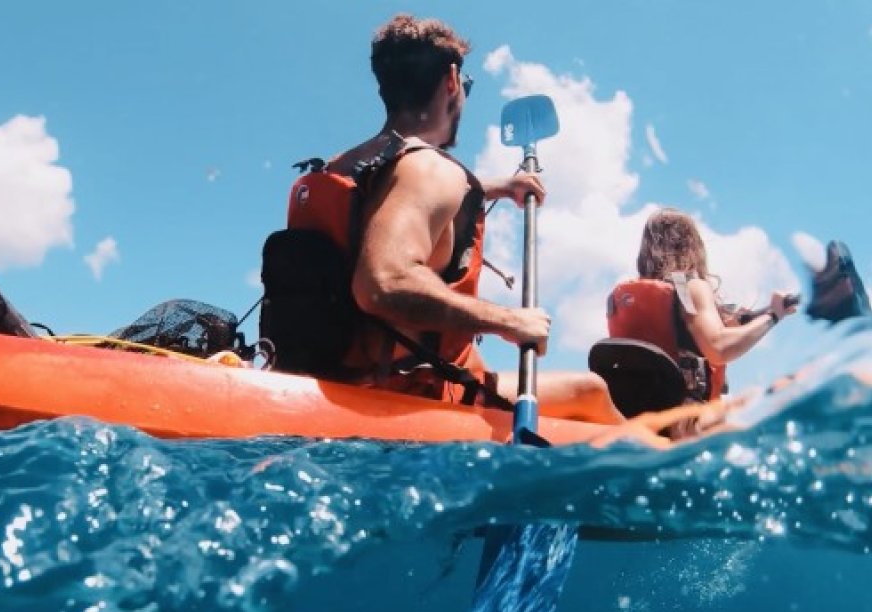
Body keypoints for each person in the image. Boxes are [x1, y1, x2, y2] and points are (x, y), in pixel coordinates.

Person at [259, 13, 623, 424]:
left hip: (330, 379)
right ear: (452, 80)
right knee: (592, 393)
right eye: (465, 86)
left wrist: (499, 186)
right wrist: (510, 321)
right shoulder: (431, 170)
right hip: (405, 398)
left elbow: (389, 201)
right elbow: (381, 284)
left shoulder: (342, 167)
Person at [606, 208, 798, 405]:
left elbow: (682, 334)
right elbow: (719, 347)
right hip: (689, 416)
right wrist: (774, 315)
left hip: (638, 408)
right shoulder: (690, 287)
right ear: (692, 245)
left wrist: (740, 321)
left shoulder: (629, 300)